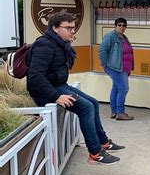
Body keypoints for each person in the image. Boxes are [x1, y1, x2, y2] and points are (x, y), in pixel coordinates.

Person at [27, 12, 123, 165]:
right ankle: (95, 152)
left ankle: (103, 142)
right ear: (55, 28)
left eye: (73, 28)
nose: (73, 31)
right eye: (69, 28)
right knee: (86, 108)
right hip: (46, 91)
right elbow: (35, 77)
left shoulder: (60, 44)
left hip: (58, 85)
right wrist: (56, 97)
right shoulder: (44, 45)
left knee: (93, 102)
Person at [99, 17, 134, 121]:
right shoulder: (111, 36)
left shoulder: (123, 37)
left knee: (116, 88)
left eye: (124, 25)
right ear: (115, 26)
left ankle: (114, 112)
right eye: (119, 25)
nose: (122, 27)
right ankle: (120, 113)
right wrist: (104, 65)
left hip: (123, 68)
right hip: (115, 67)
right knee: (123, 89)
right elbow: (102, 50)